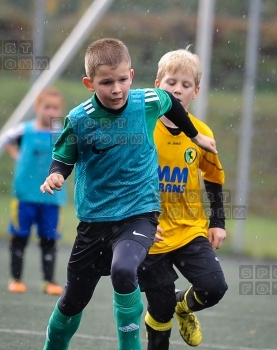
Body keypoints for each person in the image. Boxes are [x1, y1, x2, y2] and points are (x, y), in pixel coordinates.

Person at [39, 38, 218, 350]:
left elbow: (170, 103)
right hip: (95, 221)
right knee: (71, 302)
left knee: (124, 270)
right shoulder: (79, 119)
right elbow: (64, 157)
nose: (117, 89)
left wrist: (195, 135)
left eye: (122, 79)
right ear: (89, 83)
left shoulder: (146, 101)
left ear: (131, 76)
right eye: (106, 82)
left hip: (139, 214)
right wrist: (56, 174)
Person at [137, 48, 228, 350]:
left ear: (196, 91)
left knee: (214, 288)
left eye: (186, 85)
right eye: (171, 82)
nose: (177, 89)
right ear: (157, 85)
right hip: (150, 233)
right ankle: (166, 313)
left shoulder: (201, 134)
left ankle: (183, 305)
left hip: (190, 230)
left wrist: (217, 222)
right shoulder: (142, 128)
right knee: (158, 309)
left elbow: (214, 179)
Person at [2, 87, 67, 295]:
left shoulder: (61, 132)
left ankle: (49, 281)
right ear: (37, 107)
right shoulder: (25, 129)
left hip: (52, 199)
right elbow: (5, 139)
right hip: (25, 197)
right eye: (47, 107)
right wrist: (17, 154)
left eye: (55, 108)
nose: (51, 112)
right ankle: (16, 279)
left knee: (49, 240)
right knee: (19, 238)